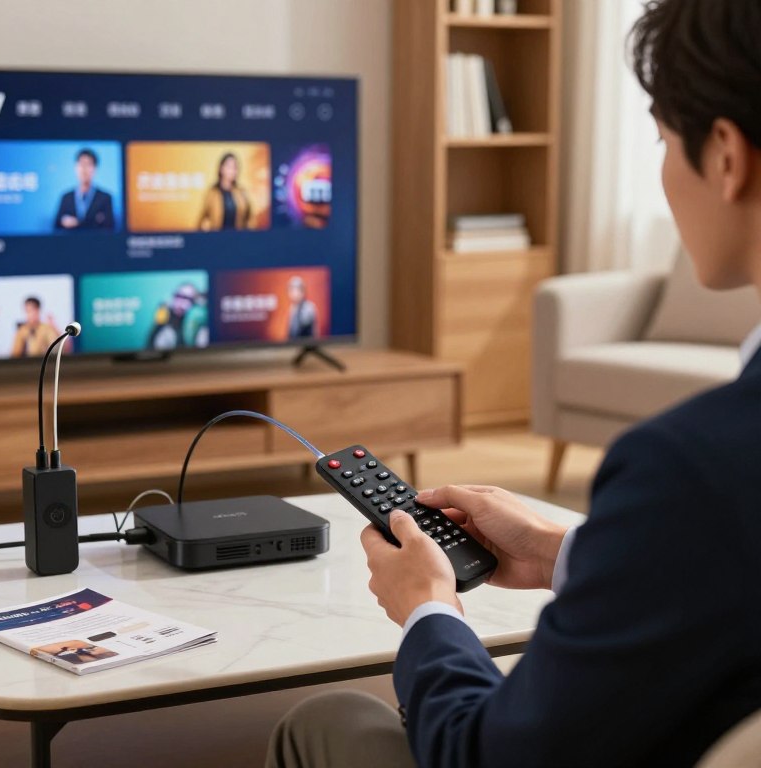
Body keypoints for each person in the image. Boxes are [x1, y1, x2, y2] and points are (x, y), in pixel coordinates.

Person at [267, 1, 761, 766]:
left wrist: (429, 611)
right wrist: (568, 551)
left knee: (326, 719)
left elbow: (488, 754)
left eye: (664, 141)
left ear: (726, 156)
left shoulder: (693, 467)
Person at [54, 148, 115, 230]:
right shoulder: (66, 197)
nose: (84, 169)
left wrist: (78, 223)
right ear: (76, 168)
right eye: (81, 164)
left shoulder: (105, 198)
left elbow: (109, 227)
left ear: (95, 169)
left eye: (88, 165)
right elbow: (56, 225)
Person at [197, 152, 254, 231]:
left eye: (235, 167)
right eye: (229, 167)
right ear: (221, 168)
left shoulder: (241, 192)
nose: (232, 171)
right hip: (217, 239)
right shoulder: (212, 193)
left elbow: (249, 217)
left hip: (239, 239)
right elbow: (202, 219)